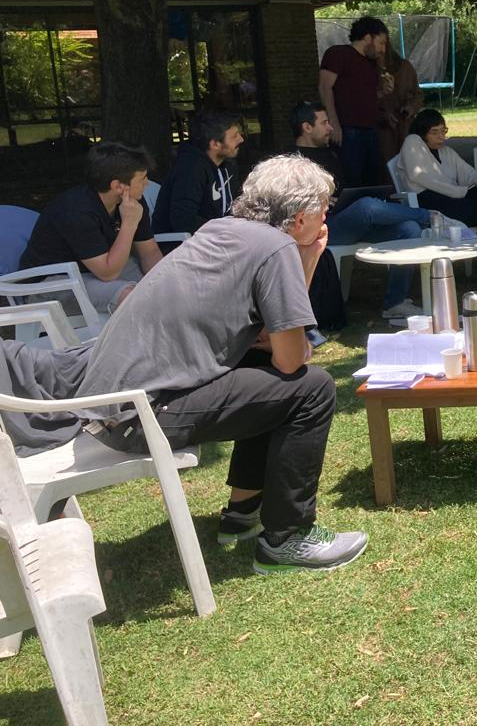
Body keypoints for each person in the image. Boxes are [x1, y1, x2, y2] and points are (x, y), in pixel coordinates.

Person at [76, 155, 368, 575]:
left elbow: (271, 337)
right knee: (312, 388)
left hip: (109, 407)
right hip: (137, 416)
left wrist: (306, 259)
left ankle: (242, 513)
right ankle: (287, 538)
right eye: (325, 208)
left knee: (263, 367)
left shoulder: (220, 229)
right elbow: (292, 359)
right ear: (301, 217)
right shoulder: (276, 246)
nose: (327, 217)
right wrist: (307, 257)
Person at [293, 101, 470, 320]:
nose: (331, 128)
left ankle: (394, 304)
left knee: (409, 229)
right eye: (325, 123)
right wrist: (320, 201)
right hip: (324, 228)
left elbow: (343, 189)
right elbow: (290, 203)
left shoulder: (331, 154)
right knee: (367, 205)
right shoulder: (292, 160)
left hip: (349, 219)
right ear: (306, 127)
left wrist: (344, 197)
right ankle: (431, 216)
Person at [20, 142, 163, 315]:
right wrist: (129, 224)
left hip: (99, 269)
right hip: (51, 283)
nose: (147, 183)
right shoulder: (75, 211)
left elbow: (149, 251)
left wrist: (165, 281)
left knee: (160, 291)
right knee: (131, 296)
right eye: (142, 178)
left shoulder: (132, 201)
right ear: (118, 186)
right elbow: (107, 273)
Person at [397, 109, 477, 293]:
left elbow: (469, 174)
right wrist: (460, 191)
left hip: (455, 198)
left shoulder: (447, 152)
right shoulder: (412, 142)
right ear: (422, 132)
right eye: (434, 132)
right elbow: (420, 177)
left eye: (443, 131)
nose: (441, 136)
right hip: (430, 204)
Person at [318, 16, 390, 187]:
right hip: (348, 128)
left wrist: (383, 92)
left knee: (372, 179)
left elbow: (364, 96)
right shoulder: (338, 54)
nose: (383, 49)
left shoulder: (371, 64)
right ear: (368, 37)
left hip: (370, 129)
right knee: (351, 178)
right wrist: (334, 123)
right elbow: (324, 87)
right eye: (381, 43)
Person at [152, 109, 243, 236]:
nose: (241, 139)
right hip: (184, 243)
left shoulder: (227, 166)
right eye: (234, 136)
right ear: (214, 144)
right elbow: (183, 220)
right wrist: (226, 231)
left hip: (219, 238)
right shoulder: (189, 169)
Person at [376, 44, 423, 166]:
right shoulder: (369, 70)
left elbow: (417, 95)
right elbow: (364, 101)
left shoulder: (405, 67)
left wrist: (410, 108)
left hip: (405, 127)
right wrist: (381, 115)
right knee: (387, 167)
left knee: (410, 164)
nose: (381, 52)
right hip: (383, 132)